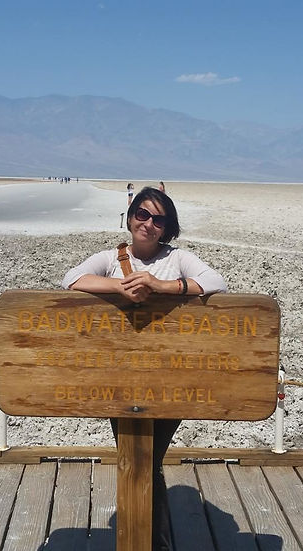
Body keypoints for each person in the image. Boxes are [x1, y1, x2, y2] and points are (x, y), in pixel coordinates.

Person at [62, 186, 226, 551]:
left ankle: (151, 539)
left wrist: (160, 285)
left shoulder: (178, 258)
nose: (148, 224)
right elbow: (71, 279)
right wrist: (121, 286)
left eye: (158, 219)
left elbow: (216, 282)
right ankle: (152, 540)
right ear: (130, 216)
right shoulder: (110, 257)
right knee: (137, 456)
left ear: (167, 227)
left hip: (171, 376)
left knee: (148, 457)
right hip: (119, 376)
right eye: (142, 214)